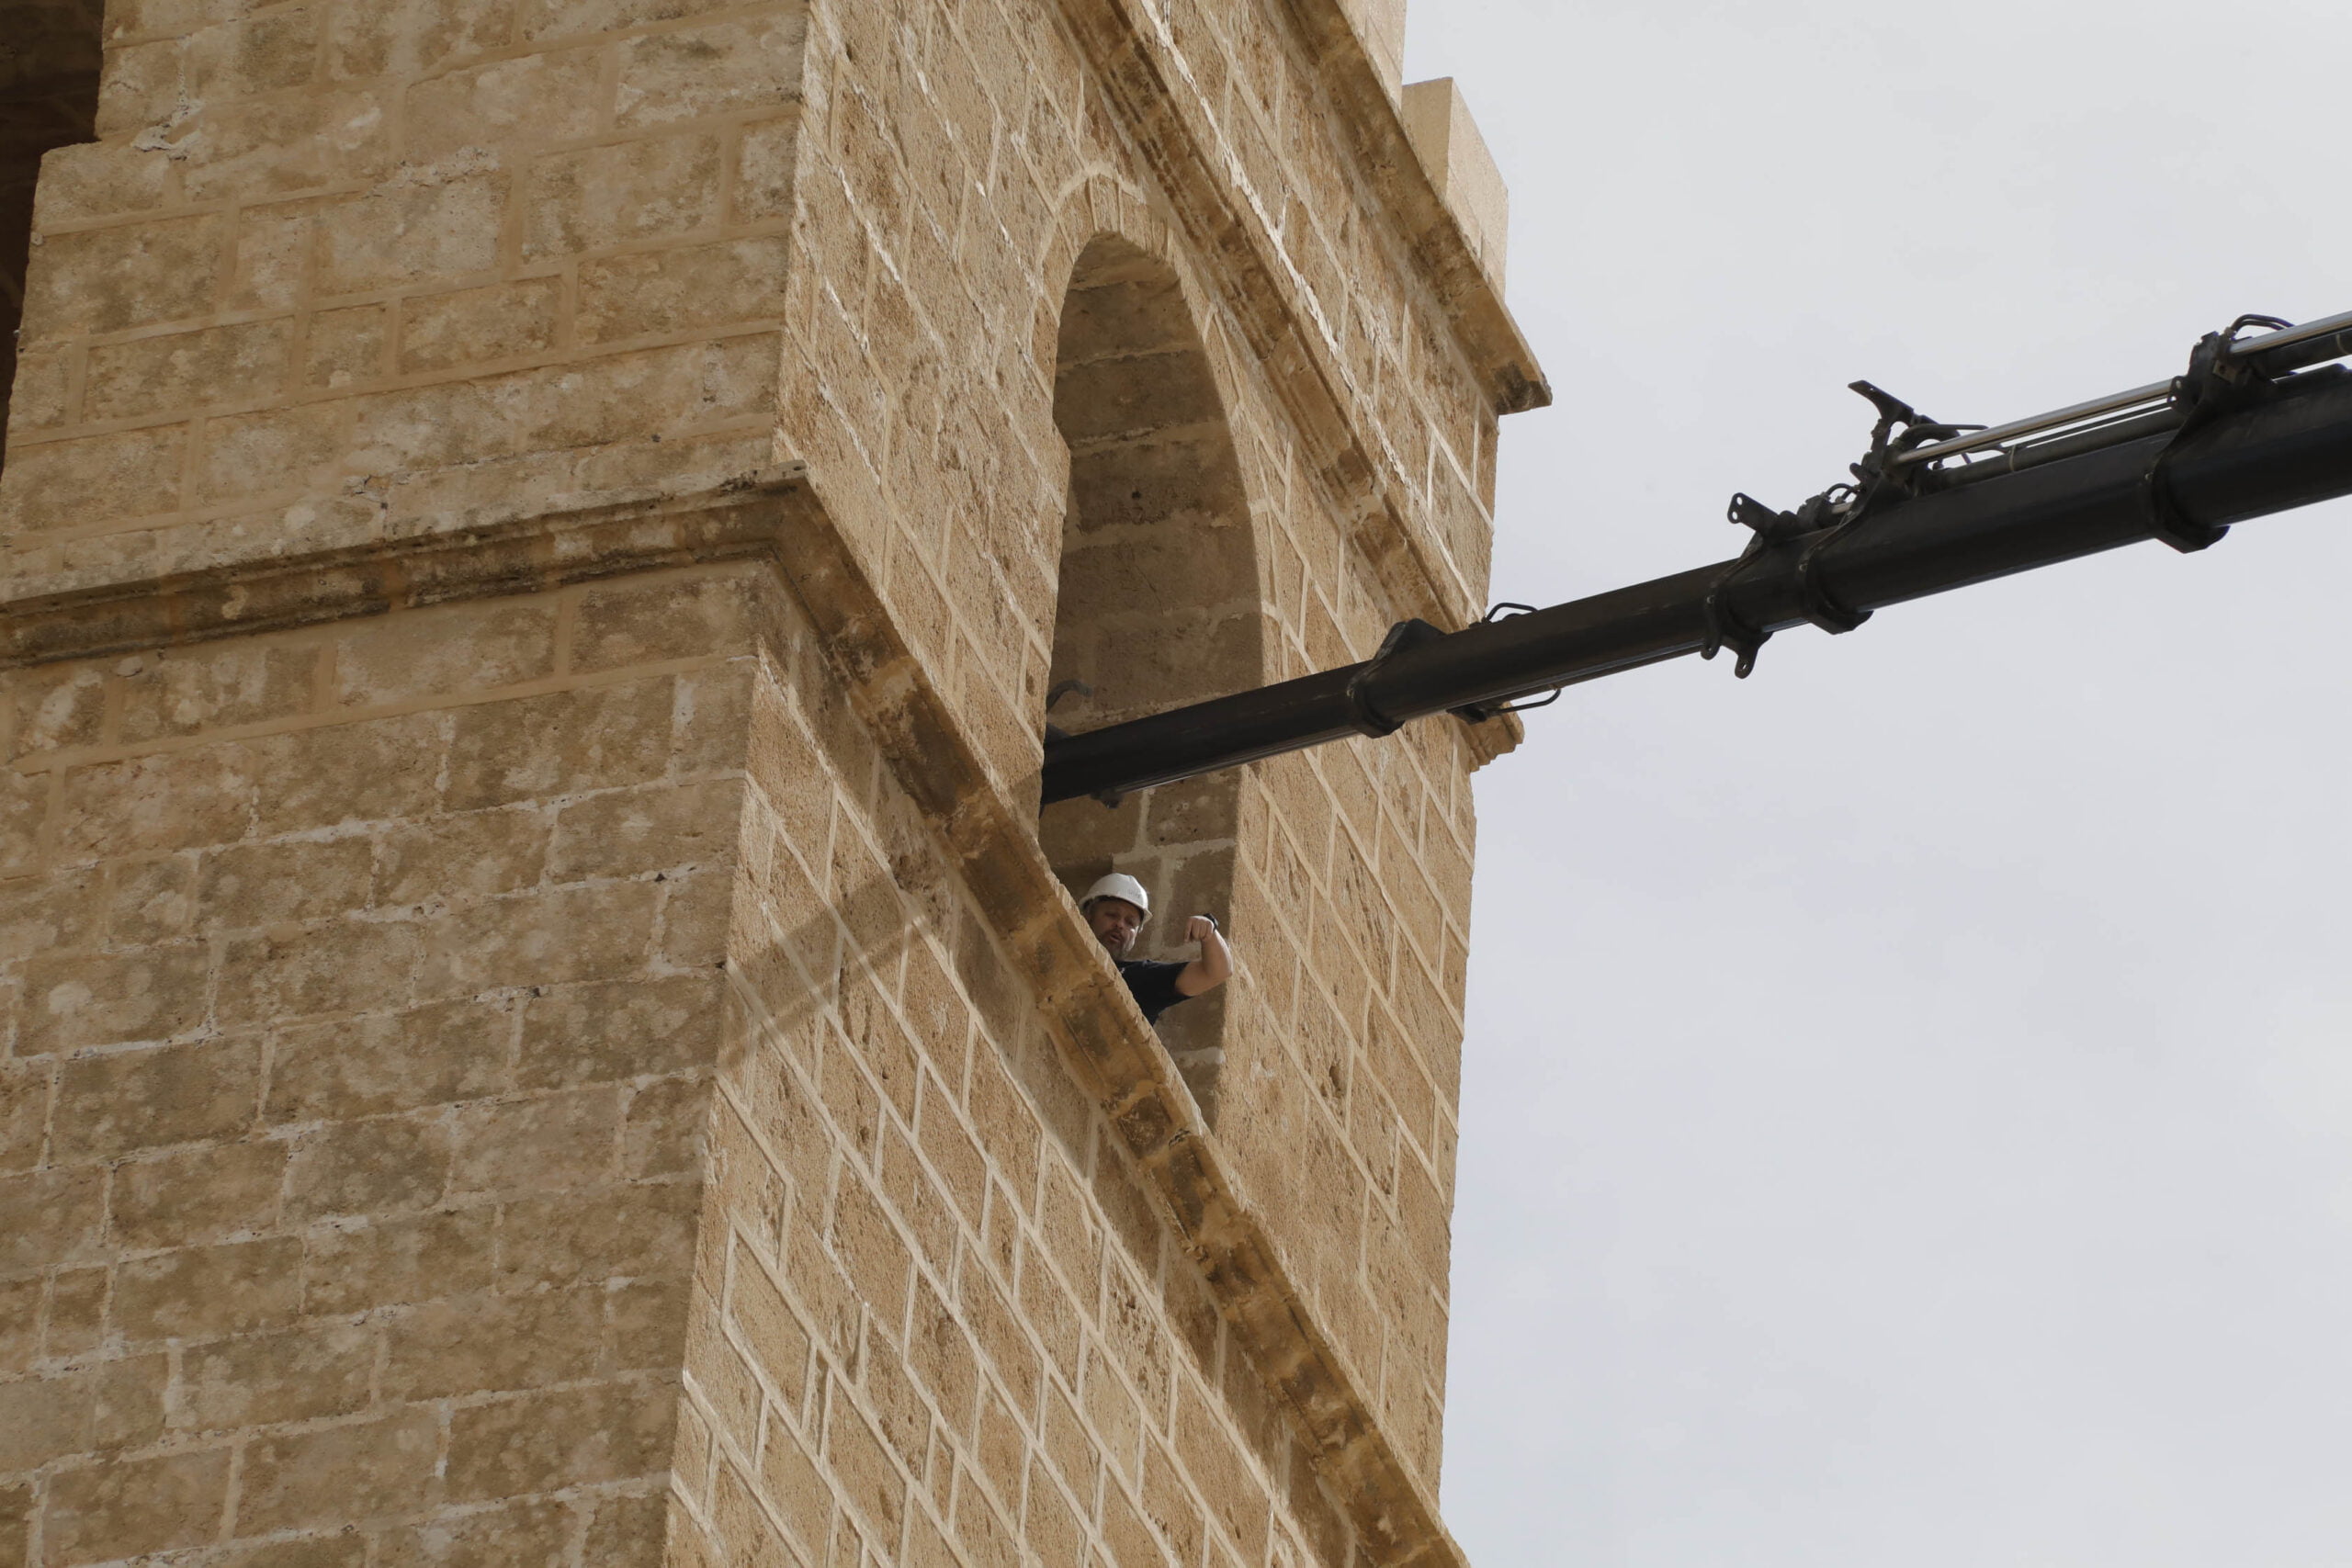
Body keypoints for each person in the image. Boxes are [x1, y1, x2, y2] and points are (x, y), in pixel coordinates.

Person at [1079, 873, 1231, 1023]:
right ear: (1088, 915)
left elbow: (1216, 973)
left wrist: (1209, 933)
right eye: (1112, 915)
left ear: (1137, 934)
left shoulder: (1139, 977)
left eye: (1130, 923)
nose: (1120, 925)